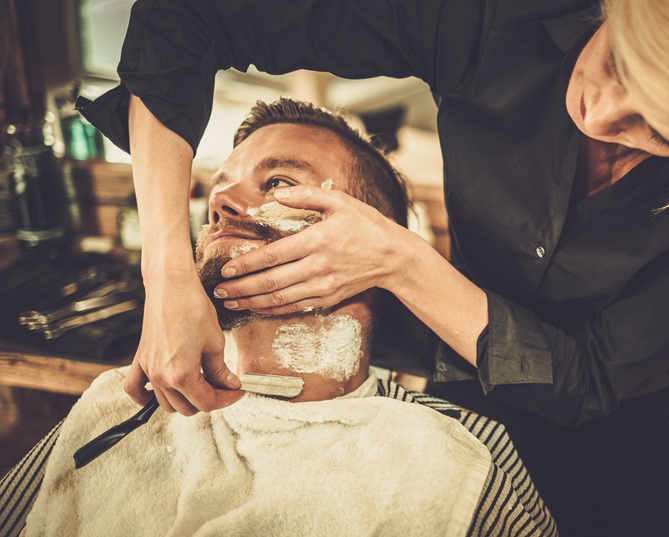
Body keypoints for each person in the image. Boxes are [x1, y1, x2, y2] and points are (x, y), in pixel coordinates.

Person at [76, 0, 669, 535]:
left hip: (621, 432)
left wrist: (400, 261)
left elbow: (590, 378)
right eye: (615, 63)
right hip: (469, 387)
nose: (598, 110)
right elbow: (187, 15)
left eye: (655, 129)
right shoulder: (495, 21)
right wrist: (166, 271)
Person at [0, 99, 555, 537]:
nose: (221, 204)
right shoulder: (123, 402)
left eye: (279, 182)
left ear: (374, 245)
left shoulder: (451, 455)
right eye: (220, 187)